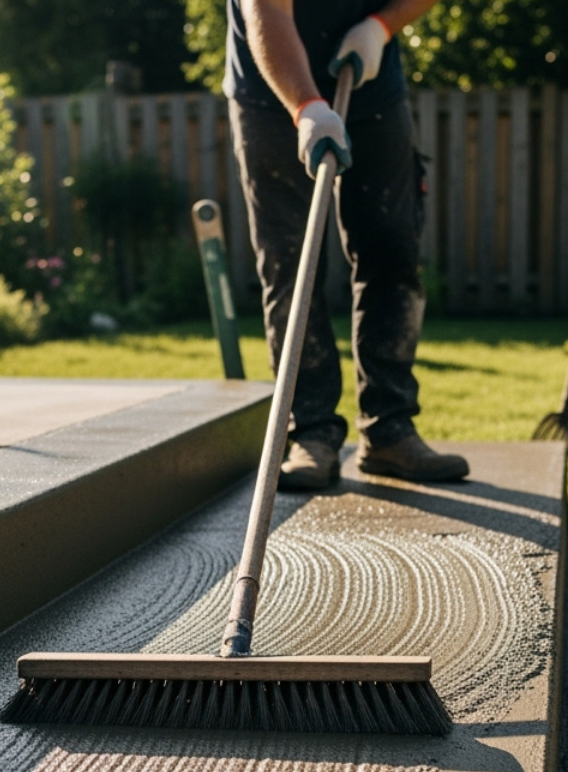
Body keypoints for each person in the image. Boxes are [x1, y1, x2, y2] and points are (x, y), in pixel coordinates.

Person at [227, 0, 469, 491]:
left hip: (371, 86)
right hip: (271, 90)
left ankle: (389, 429)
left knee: (391, 250)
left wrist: (380, 27)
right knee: (290, 263)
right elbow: (266, 12)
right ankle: (310, 432)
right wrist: (307, 108)